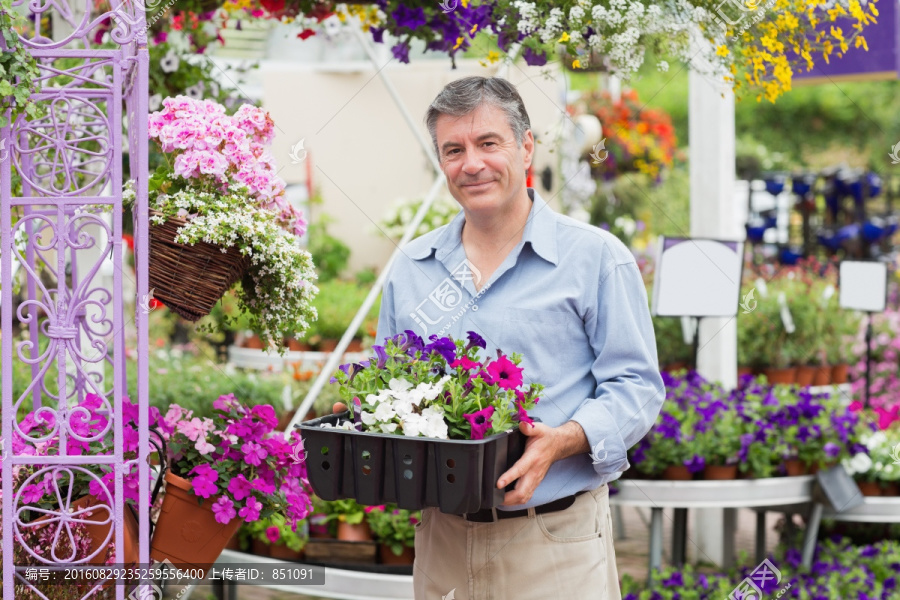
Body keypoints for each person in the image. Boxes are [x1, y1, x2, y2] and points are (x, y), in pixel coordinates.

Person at [340, 76, 664, 599]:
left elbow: (637, 386)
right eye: (454, 149)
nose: (472, 163)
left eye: (489, 143)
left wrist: (563, 440)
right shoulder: (413, 268)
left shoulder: (595, 258)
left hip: (553, 540)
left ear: (526, 145)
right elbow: (389, 390)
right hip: (443, 540)